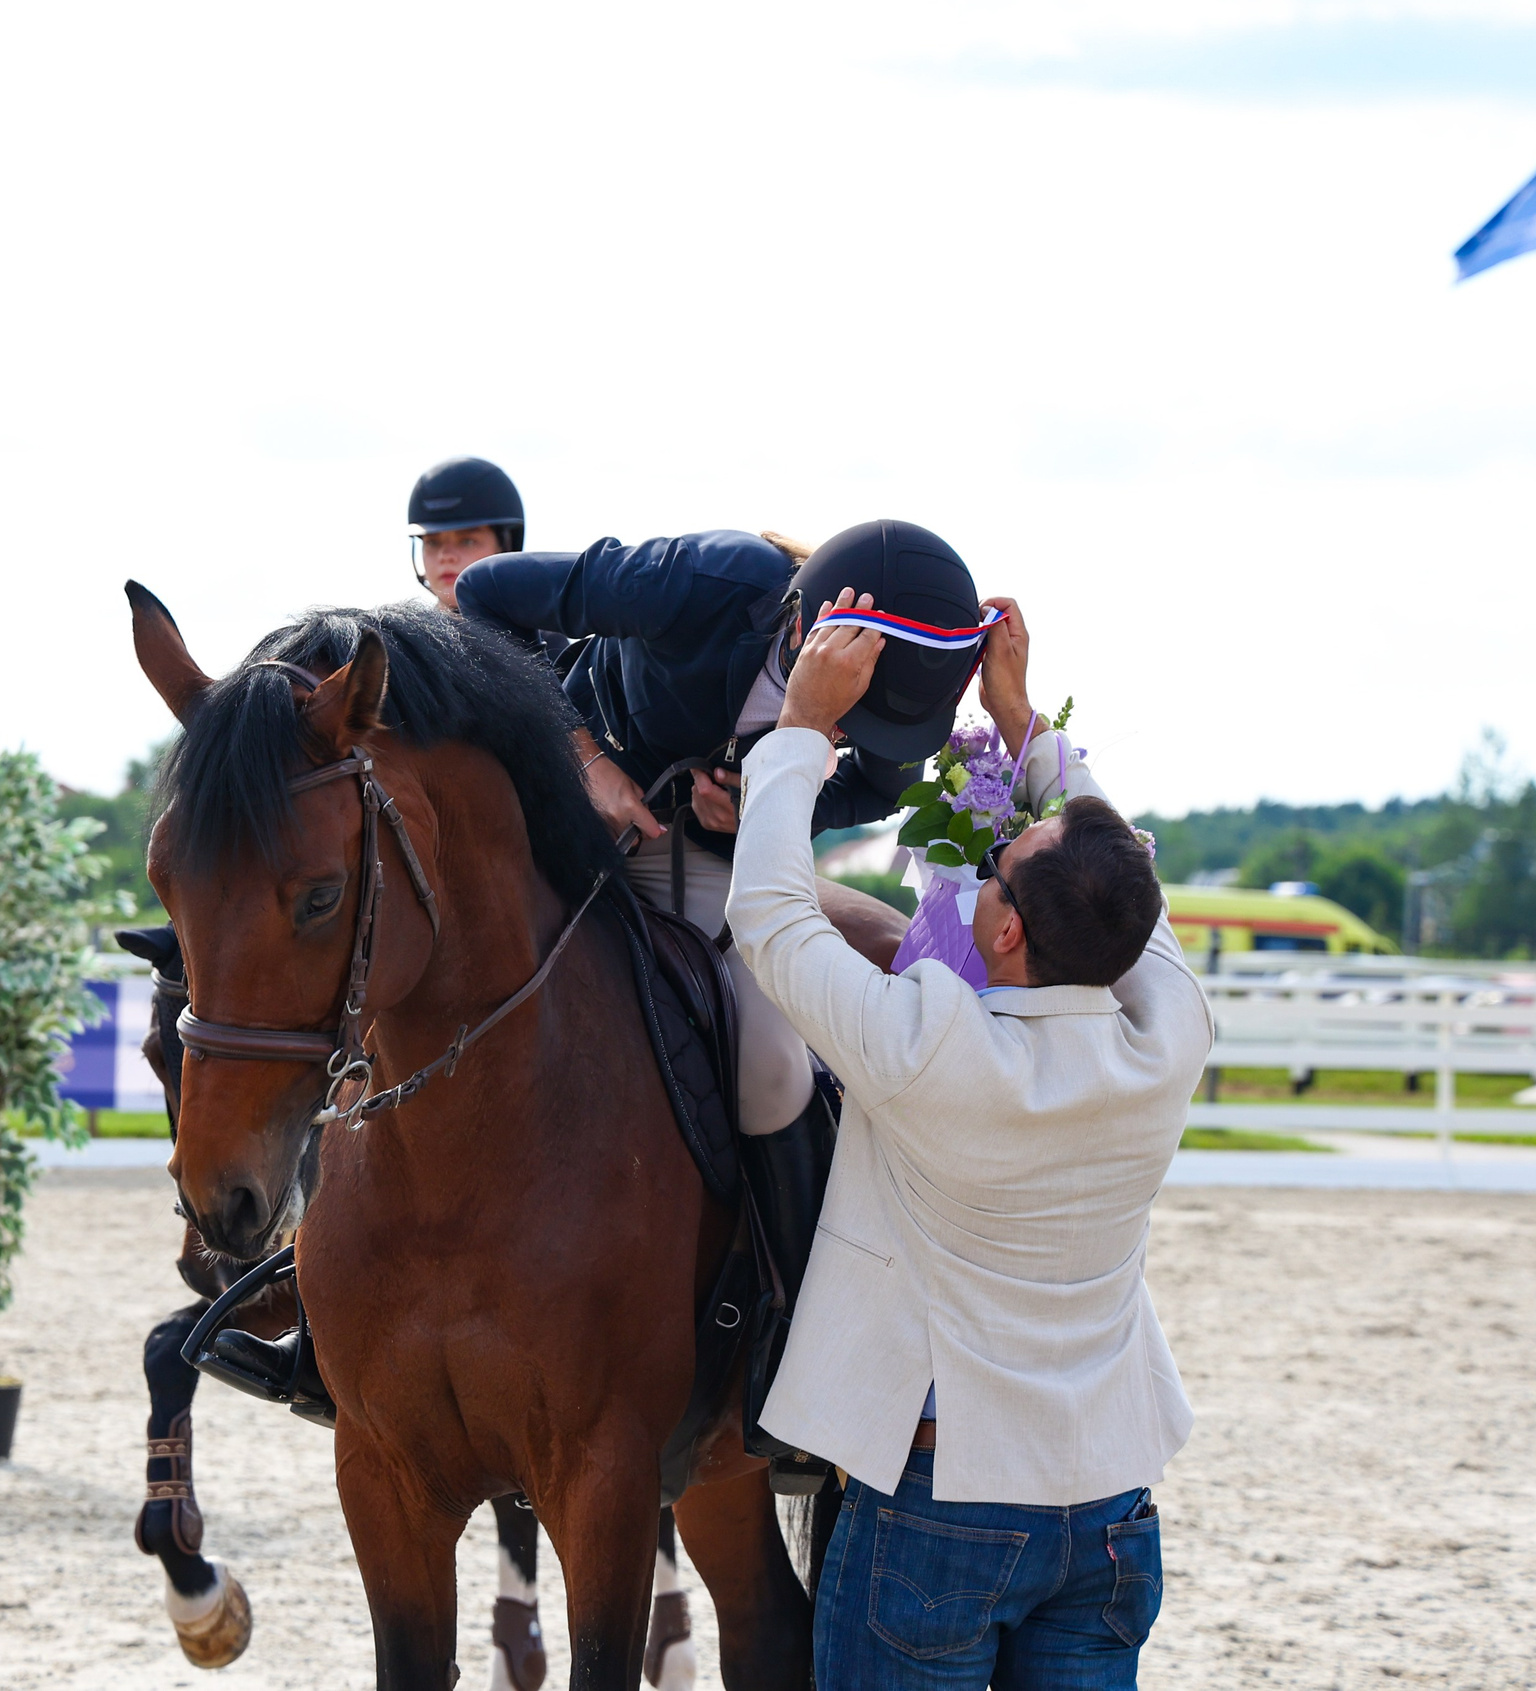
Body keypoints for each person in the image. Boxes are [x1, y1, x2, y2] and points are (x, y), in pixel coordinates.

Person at [724, 581, 1211, 1688]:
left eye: (996, 871)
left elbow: (767, 916)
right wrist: (1023, 721)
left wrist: (800, 726)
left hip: (944, 1511)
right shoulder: (1168, 1036)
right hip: (1110, 1510)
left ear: (997, 930)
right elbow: (1122, 897)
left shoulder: (931, 1045)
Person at [454, 521, 983, 1478]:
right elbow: (488, 595)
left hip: (712, 858)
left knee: (775, 1070)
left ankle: (788, 1339)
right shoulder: (707, 579)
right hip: (561, 813)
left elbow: (875, 785)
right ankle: (313, 1298)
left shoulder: (902, 694)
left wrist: (769, 803)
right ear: (808, 628)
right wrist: (585, 757)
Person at [407, 455, 528, 610]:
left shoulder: (540, 634)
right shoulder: (391, 634)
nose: (445, 556)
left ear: (506, 547)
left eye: (467, 541)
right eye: (432, 542)